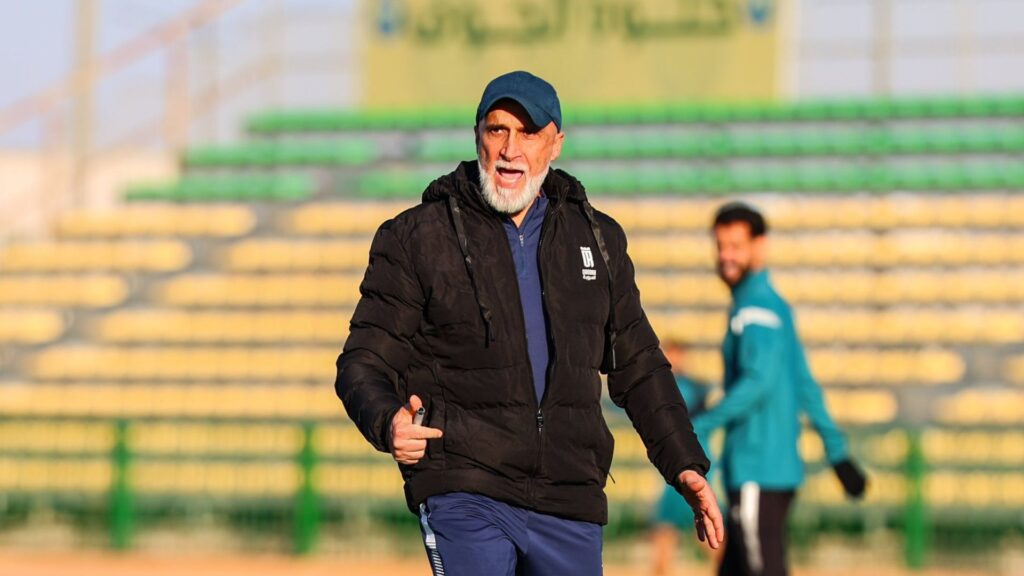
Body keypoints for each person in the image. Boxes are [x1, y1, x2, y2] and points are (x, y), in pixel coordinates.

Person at [335, 70, 723, 576]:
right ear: (478, 136)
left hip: (569, 495)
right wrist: (387, 420)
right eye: (497, 130)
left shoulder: (599, 239)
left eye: (529, 132)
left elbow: (639, 365)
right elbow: (363, 360)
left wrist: (684, 463)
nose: (509, 149)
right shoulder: (417, 236)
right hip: (465, 485)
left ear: (555, 143)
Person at [692, 202, 868, 576]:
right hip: (774, 471)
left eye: (736, 246)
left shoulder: (755, 309)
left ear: (760, 246)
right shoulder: (774, 306)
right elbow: (804, 384)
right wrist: (837, 453)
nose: (726, 256)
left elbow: (759, 381)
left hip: (757, 470)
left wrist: (703, 422)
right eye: (720, 246)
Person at [649, 342, 715, 576]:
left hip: (690, 463)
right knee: (666, 529)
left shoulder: (688, 387)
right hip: (677, 463)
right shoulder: (683, 386)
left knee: (704, 525)